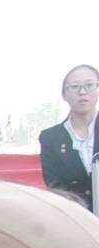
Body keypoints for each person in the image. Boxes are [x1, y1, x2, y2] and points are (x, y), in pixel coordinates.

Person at [39, 64, 99, 210]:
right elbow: (55, 186)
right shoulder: (50, 138)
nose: (82, 92)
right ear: (64, 95)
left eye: (89, 85)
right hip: (77, 219)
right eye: (74, 86)